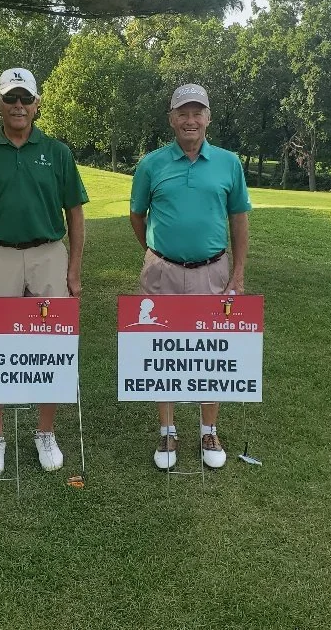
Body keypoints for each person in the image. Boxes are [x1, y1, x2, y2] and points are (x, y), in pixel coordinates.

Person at [0, 67, 89, 478]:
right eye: (10, 99)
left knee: (52, 345)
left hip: (49, 253)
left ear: (37, 104)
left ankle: (44, 431)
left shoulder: (58, 152)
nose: (18, 106)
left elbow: (75, 213)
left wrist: (75, 269)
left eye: (25, 99)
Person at [129, 83, 251, 470]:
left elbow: (239, 219)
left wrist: (239, 273)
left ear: (209, 118)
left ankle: (208, 429)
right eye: (182, 112)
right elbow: (137, 216)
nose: (190, 120)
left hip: (212, 271)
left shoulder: (229, 163)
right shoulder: (151, 164)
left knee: (210, 354)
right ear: (171, 119)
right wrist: (155, 251)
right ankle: (167, 431)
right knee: (160, 353)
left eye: (198, 112)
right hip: (161, 271)